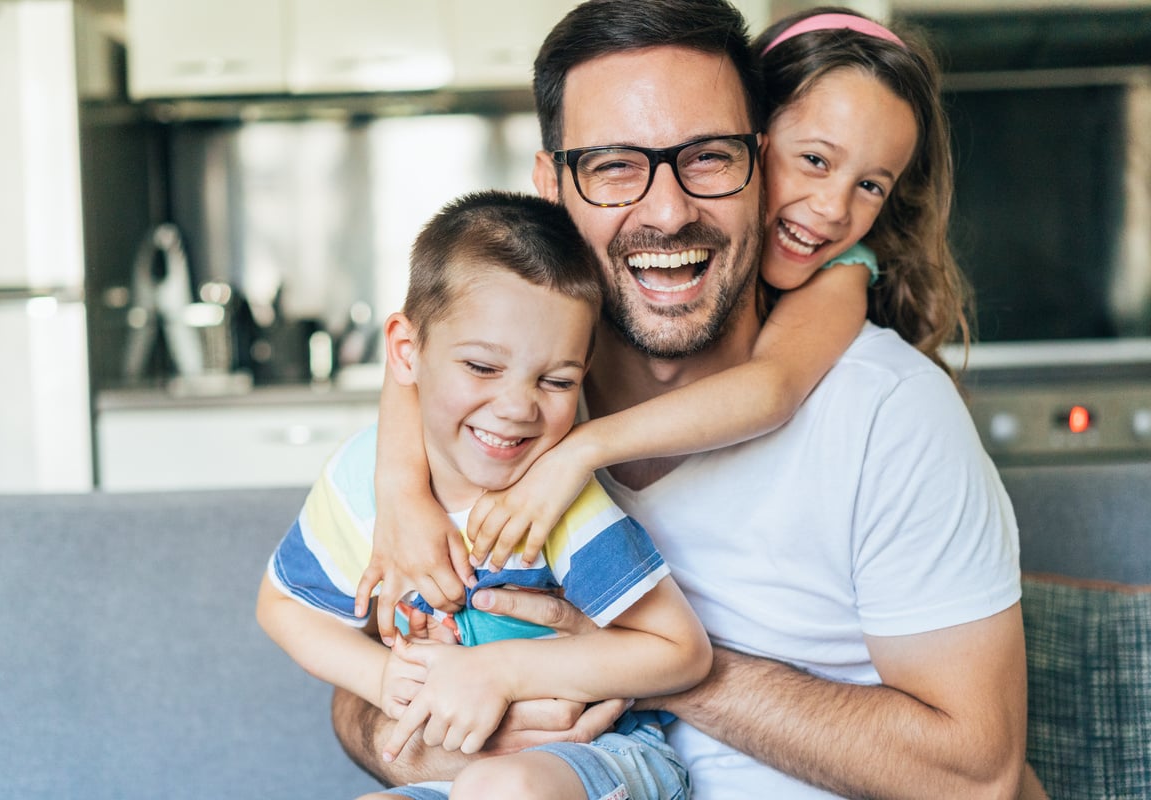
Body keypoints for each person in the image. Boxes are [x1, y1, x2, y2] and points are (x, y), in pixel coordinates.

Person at [335, 2, 1034, 797]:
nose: (667, 212)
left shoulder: (888, 412)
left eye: (706, 158)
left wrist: (632, 658)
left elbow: (979, 778)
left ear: (757, 163)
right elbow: (358, 703)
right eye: (613, 166)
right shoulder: (506, 405)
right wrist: (440, 737)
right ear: (549, 186)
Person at [256, 190, 712, 800]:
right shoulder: (362, 477)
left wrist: (495, 671)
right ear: (405, 353)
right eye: (482, 367)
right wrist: (383, 677)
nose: (518, 407)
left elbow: (680, 650)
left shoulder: (552, 498)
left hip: (604, 755)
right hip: (459, 771)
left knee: (505, 789)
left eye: (556, 381)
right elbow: (281, 607)